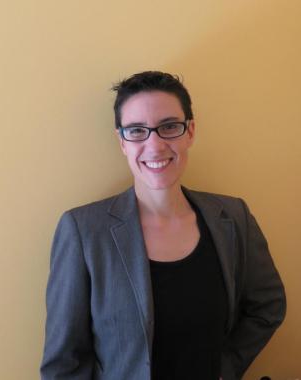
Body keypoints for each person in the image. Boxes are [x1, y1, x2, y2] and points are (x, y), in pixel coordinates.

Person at [40, 71, 286, 380]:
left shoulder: (233, 217)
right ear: (122, 142)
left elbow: (268, 305)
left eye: (169, 127)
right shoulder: (83, 231)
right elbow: (64, 362)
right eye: (137, 131)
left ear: (190, 132)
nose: (155, 146)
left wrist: (228, 366)